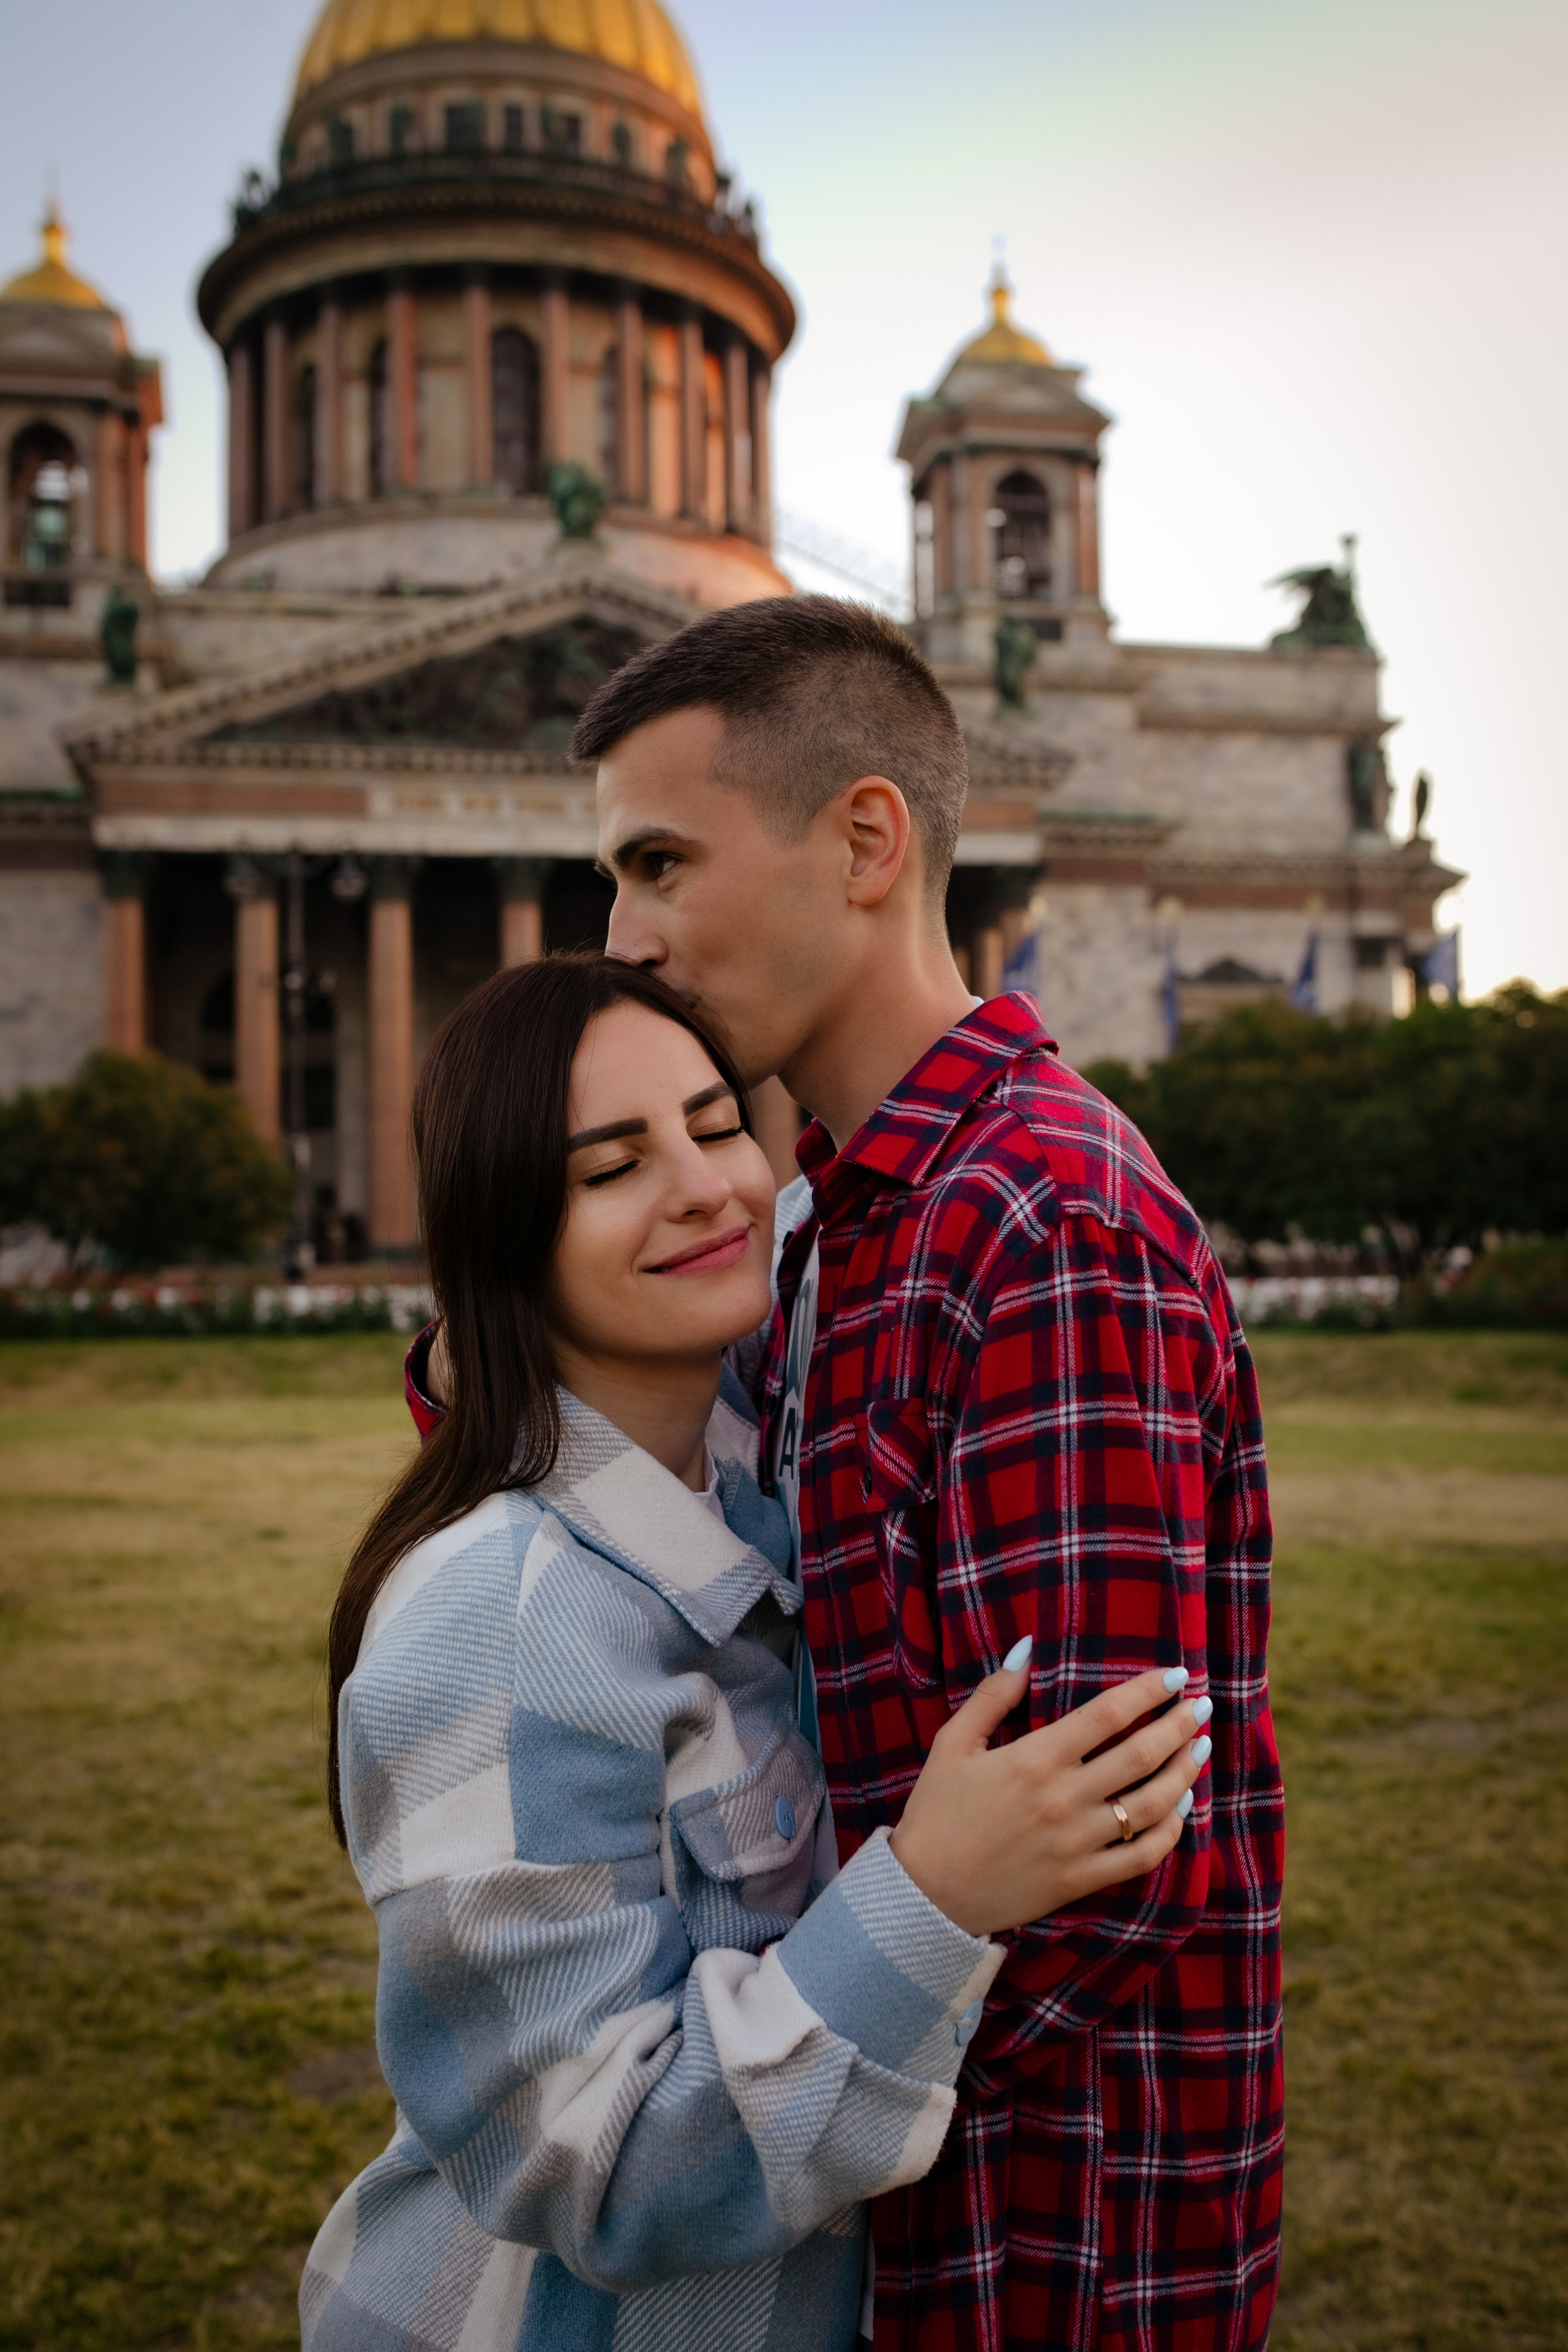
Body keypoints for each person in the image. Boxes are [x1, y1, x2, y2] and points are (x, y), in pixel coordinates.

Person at [303, 954, 1209, 2352]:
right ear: (502, 1235)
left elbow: (824, 1206)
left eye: (716, 1123)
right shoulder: (491, 1626)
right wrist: (932, 1894)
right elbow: (596, 2175)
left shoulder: (760, 1466)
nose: (705, 1187)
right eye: (610, 1167)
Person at [568, 597, 1286, 2351]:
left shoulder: (1035, 1224)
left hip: (1050, 2238)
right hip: (916, 2200)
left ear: (867, 841)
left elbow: (1103, 1869)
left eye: (661, 862)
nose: (621, 934)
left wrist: (749, 2102)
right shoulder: (851, 1220)